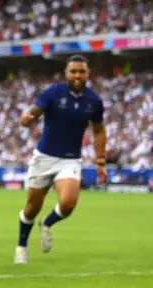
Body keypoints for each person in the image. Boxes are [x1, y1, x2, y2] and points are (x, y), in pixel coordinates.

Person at [14, 55, 107, 264]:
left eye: (81, 71)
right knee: (32, 207)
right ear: (66, 73)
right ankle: (21, 246)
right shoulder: (53, 93)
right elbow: (34, 111)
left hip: (70, 159)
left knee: (67, 203)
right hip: (44, 157)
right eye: (73, 71)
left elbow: (99, 130)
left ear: (87, 74)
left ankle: (46, 223)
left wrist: (100, 161)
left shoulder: (93, 101)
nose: (77, 75)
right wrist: (27, 118)